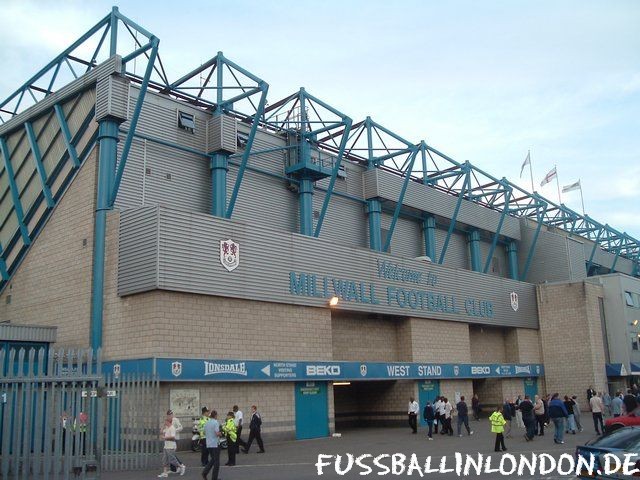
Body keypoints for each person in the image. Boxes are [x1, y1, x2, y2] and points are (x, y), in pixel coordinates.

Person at [202, 410, 221, 480]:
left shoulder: (207, 422)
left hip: (209, 444)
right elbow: (217, 433)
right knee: (216, 462)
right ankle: (214, 478)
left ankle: (205, 472)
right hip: (215, 444)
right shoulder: (215, 422)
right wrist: (220, 433)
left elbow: (204, 432)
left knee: (213, 459)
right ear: (215, 416)